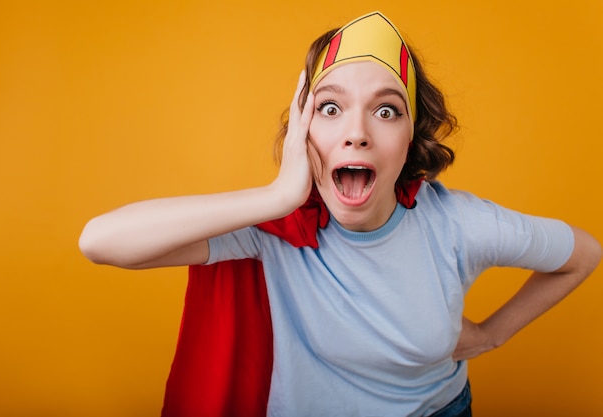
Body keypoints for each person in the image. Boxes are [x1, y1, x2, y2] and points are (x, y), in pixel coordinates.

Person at [79, 11, 601, 417]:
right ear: (305, 134)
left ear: (410, 141)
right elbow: (101, 242)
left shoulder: (458, 224)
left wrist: (491, 335)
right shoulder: (273, 233)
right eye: (329, 109)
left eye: (386, 109)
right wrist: (277, 197)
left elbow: (584, 254)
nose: (356, 132)